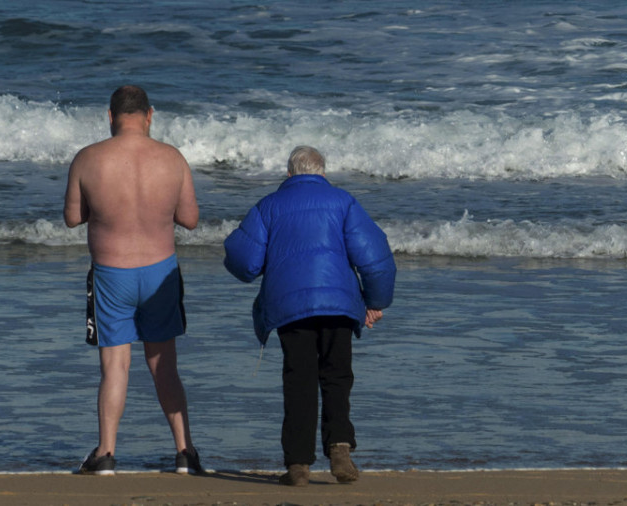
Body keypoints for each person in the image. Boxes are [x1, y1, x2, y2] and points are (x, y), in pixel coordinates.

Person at [223, 146, 396, 486]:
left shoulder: (269, 206)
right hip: (339, 306)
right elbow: (375, 257)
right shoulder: (343, 202)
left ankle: (298, 465)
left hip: (290, 308)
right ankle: (340, 448)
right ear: (323, 174)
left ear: (289, 174)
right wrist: (375, 302)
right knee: (337, 376)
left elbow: (244, 262)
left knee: (298, 380)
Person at [63, 85, 204, 476]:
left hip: (111, 274)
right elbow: (190, 220)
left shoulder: (88, 159)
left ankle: (106, 454)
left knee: (114, 367)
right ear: (149, 115)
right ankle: (184, 452)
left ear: (110, 117)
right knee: (165, 367)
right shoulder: (172, 159)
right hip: (161, 274)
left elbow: (73, 218)